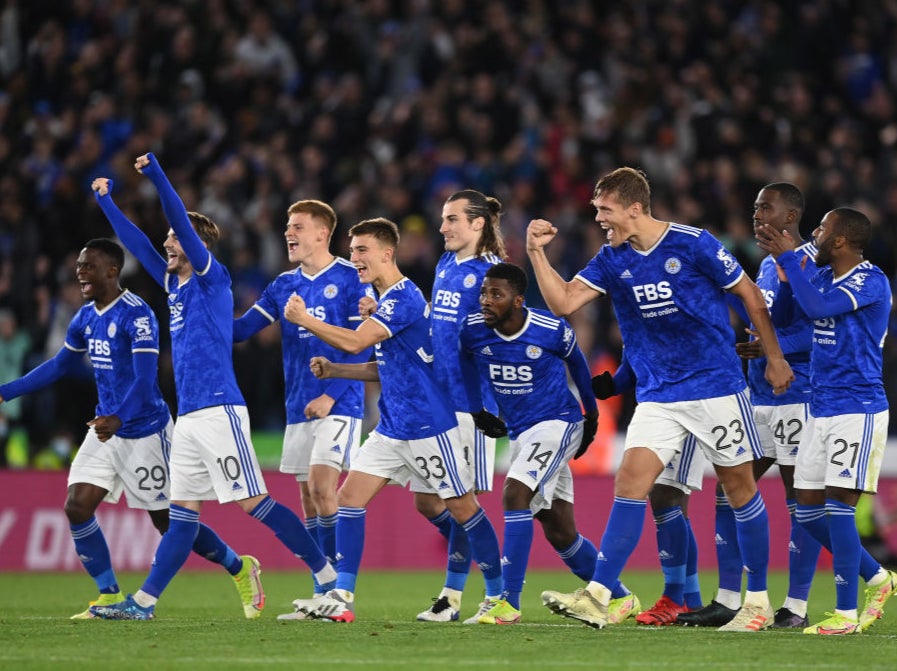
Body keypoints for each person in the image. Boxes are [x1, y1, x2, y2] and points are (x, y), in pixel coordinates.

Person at [528, 167, 794, 632]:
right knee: (632, 482)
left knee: (739, 490)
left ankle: (756, 603)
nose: (598, 218)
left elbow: (750, 296)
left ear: (635, 207)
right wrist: (534, 252)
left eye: (605, 209)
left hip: (715, 387)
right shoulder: (612, 258)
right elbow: (563, 303)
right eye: (596, 210)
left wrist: (773, 358)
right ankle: (599, 594)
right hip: (658, 393)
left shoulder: (693, 243)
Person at [87, 154, 335, 620]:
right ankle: (143, 604)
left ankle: (327, 577)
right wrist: (108, 204)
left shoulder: (209, 276)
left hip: (221, 410)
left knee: (253, 503)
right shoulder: (174, 284)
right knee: (180, 514)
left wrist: (158, 175)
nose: (167, 244)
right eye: (167, 239)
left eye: (175, 238)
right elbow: (138, 244)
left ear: (196, 242)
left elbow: (178, 217)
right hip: (190, 417)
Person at [0, 238, 263, 619]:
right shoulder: (85, 317)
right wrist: (6, 393)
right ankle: (108, 594)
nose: (80, 272)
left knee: (168, 523)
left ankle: (240, 567)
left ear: (112, 270)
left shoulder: (138, 315)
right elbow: (58, 366)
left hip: (144, 430)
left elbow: (144, 381)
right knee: (76, 506)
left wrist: (119, 419)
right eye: (78, 265)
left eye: (88, 265)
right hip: (106, 428)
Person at [282, 217, 503, 623]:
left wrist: (306, 320)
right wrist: (336, 370)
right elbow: (386, 366)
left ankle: (498, 594)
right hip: (391, 426)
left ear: (387, 253)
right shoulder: (383, 300)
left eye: (362, 250)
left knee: (461, 507)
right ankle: (342, 596)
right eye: (352, 251)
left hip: (428, 426)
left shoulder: (403, 298)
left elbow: (356, 340)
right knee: (349, 499)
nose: (355, 258)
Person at [680, 182, 822, 628]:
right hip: (757, 398)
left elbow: (821, 331)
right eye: (756, 207)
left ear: (791, 215)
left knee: (802, 499)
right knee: (729, 489)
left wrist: (771, 347)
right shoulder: (763, 266)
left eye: (767, 208)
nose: (757, 214)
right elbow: (764, 317)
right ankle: (727, 597)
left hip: (798, 395)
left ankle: (795, 606)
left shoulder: (815, 266)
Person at [757, 207, 897, 635]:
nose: (812, 234)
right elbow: (785, 316)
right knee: (807, 511)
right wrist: (784, 280)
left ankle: (845, 615)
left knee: (839, 508)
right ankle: (878, 577)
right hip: (821, 407)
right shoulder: (817, 275)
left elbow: (817, 309)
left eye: (820, 229)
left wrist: (786, 261)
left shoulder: (870, 280)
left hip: (858, 408)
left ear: (839, 241)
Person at [231, 199, 372, 616]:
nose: (288, 233)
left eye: (297, 226)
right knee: (309, 502)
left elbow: (364, 341)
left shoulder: (350, 278)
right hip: (299, 407)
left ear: (321, 233)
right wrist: (202, 307)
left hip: (339, 402)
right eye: (286, 226)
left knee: (322, 488)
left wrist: (335, 394)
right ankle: (319, 592)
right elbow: (241, 331)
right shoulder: (281, 286)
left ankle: (337, 592)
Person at [450, 261, 599, 624]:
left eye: (495, 294)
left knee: (514, 494)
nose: (486, 300)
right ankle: (616, 595)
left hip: (558, 423)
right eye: (484, 292)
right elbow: (464, 361)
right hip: (521, 431)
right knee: (558, 527)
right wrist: (477, 410)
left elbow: (578, 365)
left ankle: (508, 603)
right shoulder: (473, 331)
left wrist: (591, 416)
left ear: (518, 301)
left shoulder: (549, 329)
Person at [415, 189, 505, 624]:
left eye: (452, 219)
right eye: (443, 219)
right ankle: (481, 558)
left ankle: (460, 597)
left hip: (472, 407)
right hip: (437, 401)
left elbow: (503, 341)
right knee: (426, 501)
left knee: (458, 502)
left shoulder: (493, 275)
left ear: (477, 224)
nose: (443, 227)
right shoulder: (445, 264)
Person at [592, 357, 706, 625]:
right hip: (655, 404)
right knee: (665, 498)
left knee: (668, 494)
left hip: (691, 400)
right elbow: (637, 358)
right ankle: (689, 600)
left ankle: (677, 599)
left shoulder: (676, 314)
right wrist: (614, 383)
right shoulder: (633, 318)